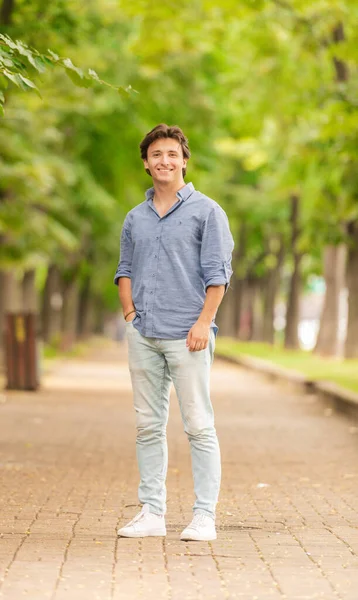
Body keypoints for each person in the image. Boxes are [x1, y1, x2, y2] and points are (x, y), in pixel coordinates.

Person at [114, 124, 234, 541]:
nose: (164, 161)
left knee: (199, 425)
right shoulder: (135, 217)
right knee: (148, 425)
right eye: (156, 154)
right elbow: (124, 269)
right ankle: (152, 512)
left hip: (188, 334)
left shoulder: (207, 212)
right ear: (146, 163)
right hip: (143, 332)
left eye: (172, 154)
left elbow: (218, 275)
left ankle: (205, 516)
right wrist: (130, 315)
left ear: (184, 160)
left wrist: (203, 322)